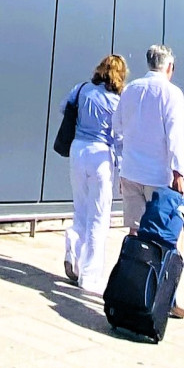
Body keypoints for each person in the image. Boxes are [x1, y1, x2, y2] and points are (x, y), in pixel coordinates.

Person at [116, 44, 184, 319]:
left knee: (135, 234)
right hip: (158, 176)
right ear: (168, 67)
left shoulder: (131, 90)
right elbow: (175, 136)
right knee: (163, 236)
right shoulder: (173, 94)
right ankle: (163, 297)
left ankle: (131, 289)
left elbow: (117, 127)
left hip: (131, 171)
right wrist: (179, 172)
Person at [62, 54, 126, 293]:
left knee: (80, 208)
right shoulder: (116, 102)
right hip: (101, 156)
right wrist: (122, 168)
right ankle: (90, 277)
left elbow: (63, 108)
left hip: (77, 149)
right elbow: (119, 138)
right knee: (99, 217)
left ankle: (73, 243)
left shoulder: (81, 89)